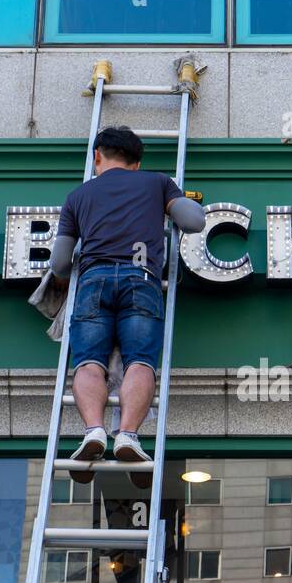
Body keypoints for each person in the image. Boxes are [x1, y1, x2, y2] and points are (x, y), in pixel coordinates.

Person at [49, 126, 206, 488]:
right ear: (137, 164)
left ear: (97, 157)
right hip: (142, 278)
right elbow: (194, 222)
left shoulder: (78, 196)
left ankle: (93, 431)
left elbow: (59, 263)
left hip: (92, 280)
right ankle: (128, 436)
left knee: (89, 361)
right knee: (140, 360)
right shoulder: (157, 183)